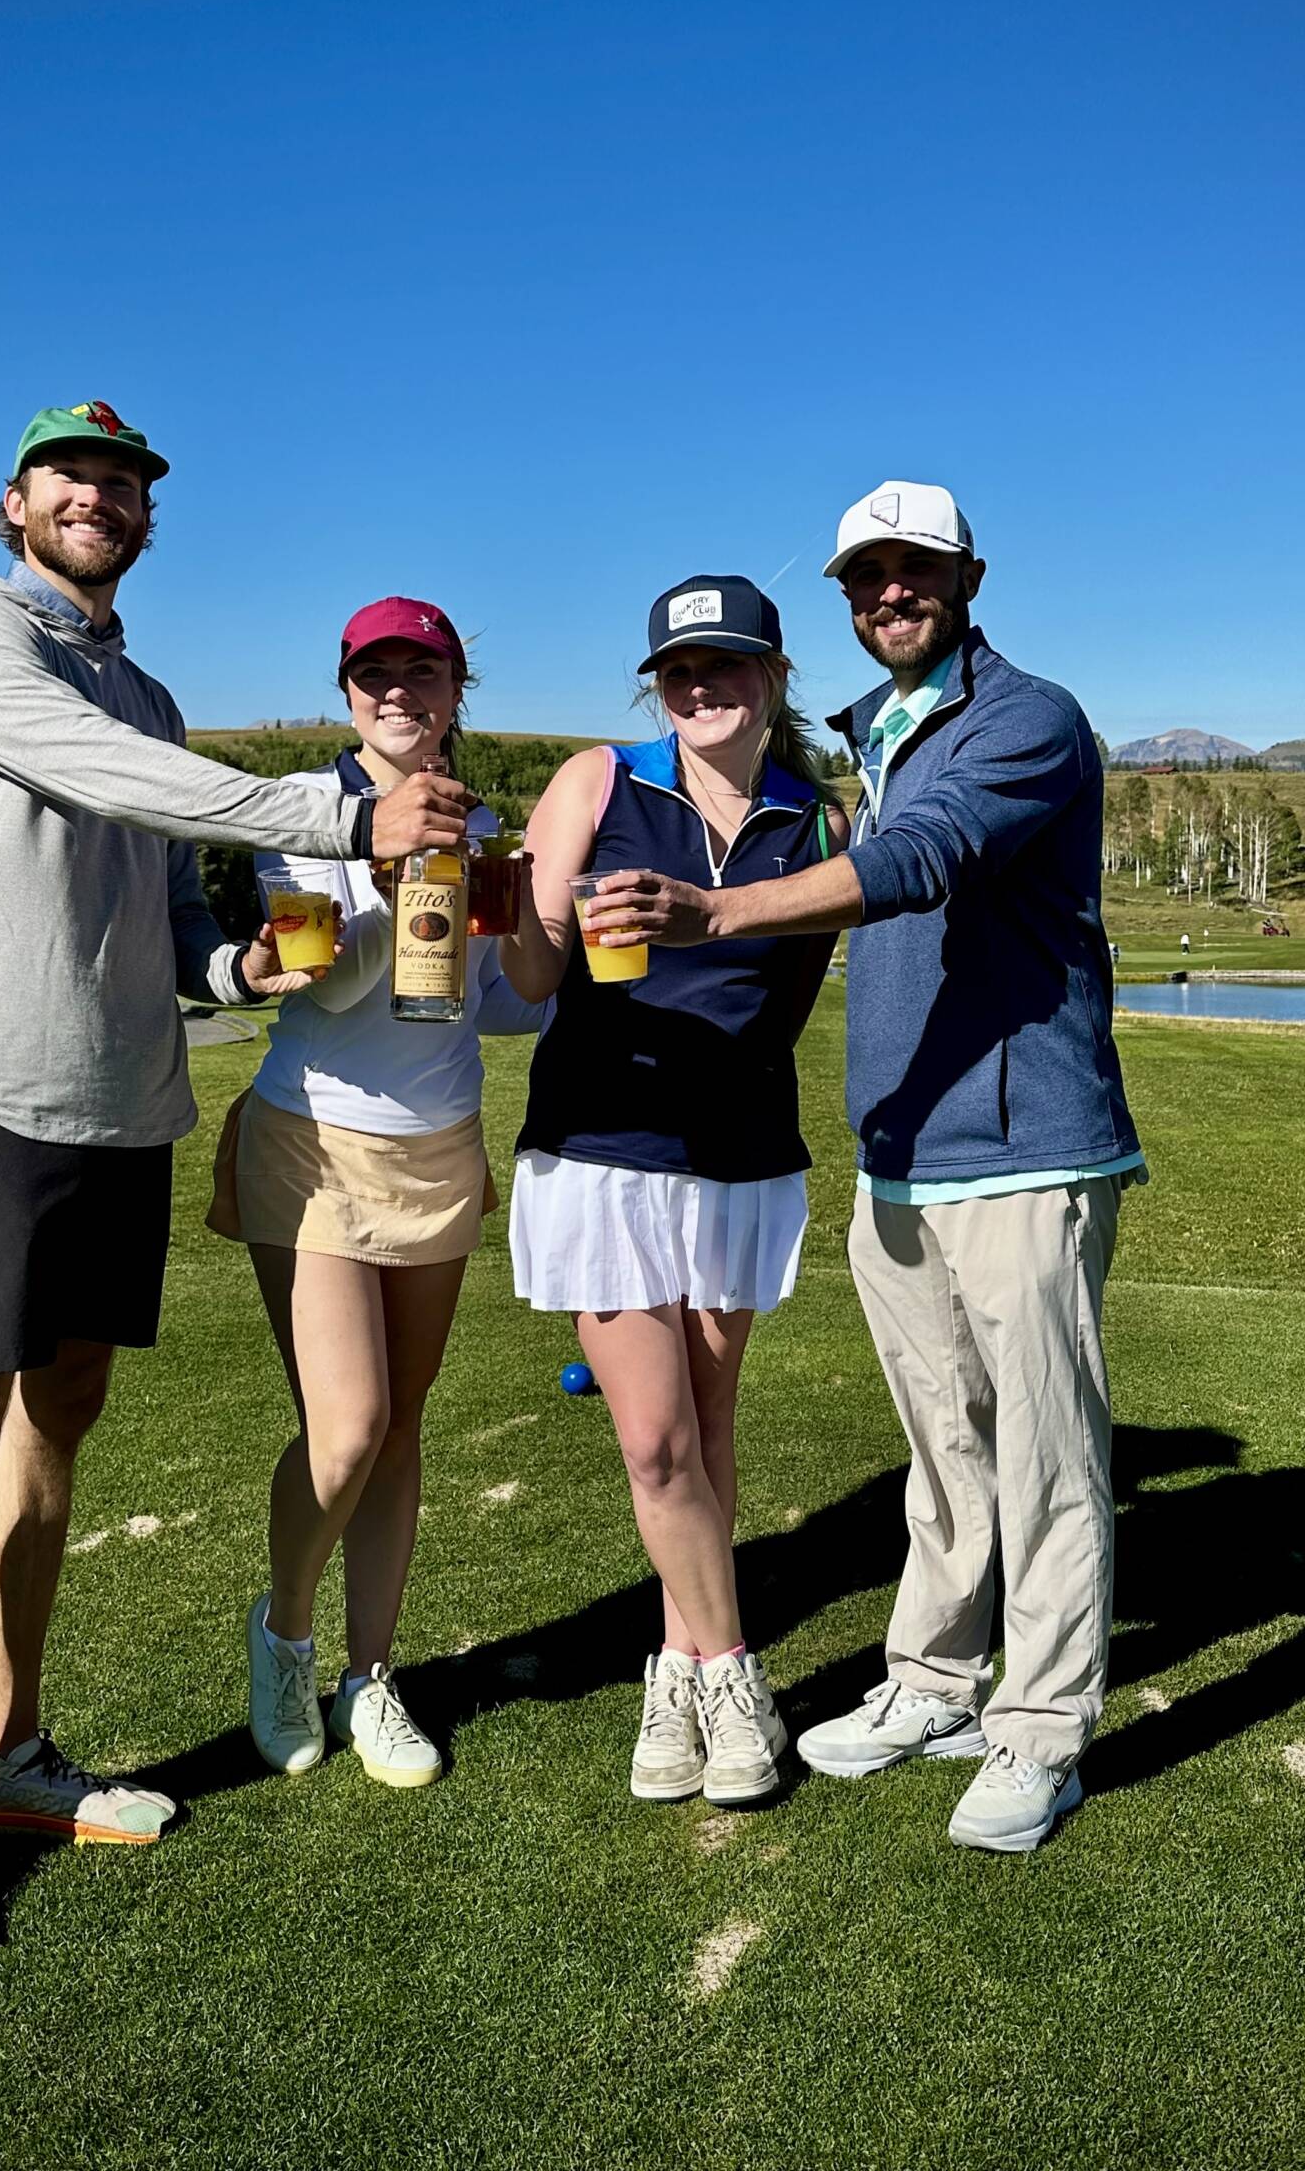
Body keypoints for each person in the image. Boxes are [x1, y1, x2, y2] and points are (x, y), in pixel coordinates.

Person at [0, 405, 470, 1964]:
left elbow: (168, 899)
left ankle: (14, 1750)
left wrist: (238, 964)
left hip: (126, 1107)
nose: (100, 497)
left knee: (59, 1420)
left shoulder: (149, 691)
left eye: (125, 483)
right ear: (13, 502)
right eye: (73, 476)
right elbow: (111, 779)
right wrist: (344, 817)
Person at [585, 483, 1143, 1853]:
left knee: (1049, 1451)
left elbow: (923, 859)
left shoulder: (1025, 719)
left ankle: (1040, 1727)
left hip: (1025, 1148)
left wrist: (714, 908)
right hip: (904, 1154)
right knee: (944, 1449)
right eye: (865, 577)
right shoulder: (872, 735)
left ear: (967, 578)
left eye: (915, 571)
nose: (889, 592)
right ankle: (938, 1681)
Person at [499, 577, 849, 1806]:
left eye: (728, 664)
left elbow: (787, 1006)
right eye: (680, 668)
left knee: (705, 1428)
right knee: (652, 1439)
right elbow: (534, 972)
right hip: (604, 1148)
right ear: (657, 683)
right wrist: (520, 914)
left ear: (774, 674)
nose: (703, 686)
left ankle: (673, 1661)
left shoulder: (816, 821)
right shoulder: (600, 779)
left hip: (739, 1155)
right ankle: (736, 1677)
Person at [207, 597, 542, 1789]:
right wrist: (383, 860)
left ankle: (372, 1676)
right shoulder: (304, 811)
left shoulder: (488, 822)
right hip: (311, 1141)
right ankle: (284, 1636)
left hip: (439, 1148)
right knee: (344, 1428)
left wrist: (548, 941)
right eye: (376, 672)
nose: (398, 690)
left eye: (424, 670)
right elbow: (324, 987)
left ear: (457, 689)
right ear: (347, 690)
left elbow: (491, 1002)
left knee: (399, 1429)